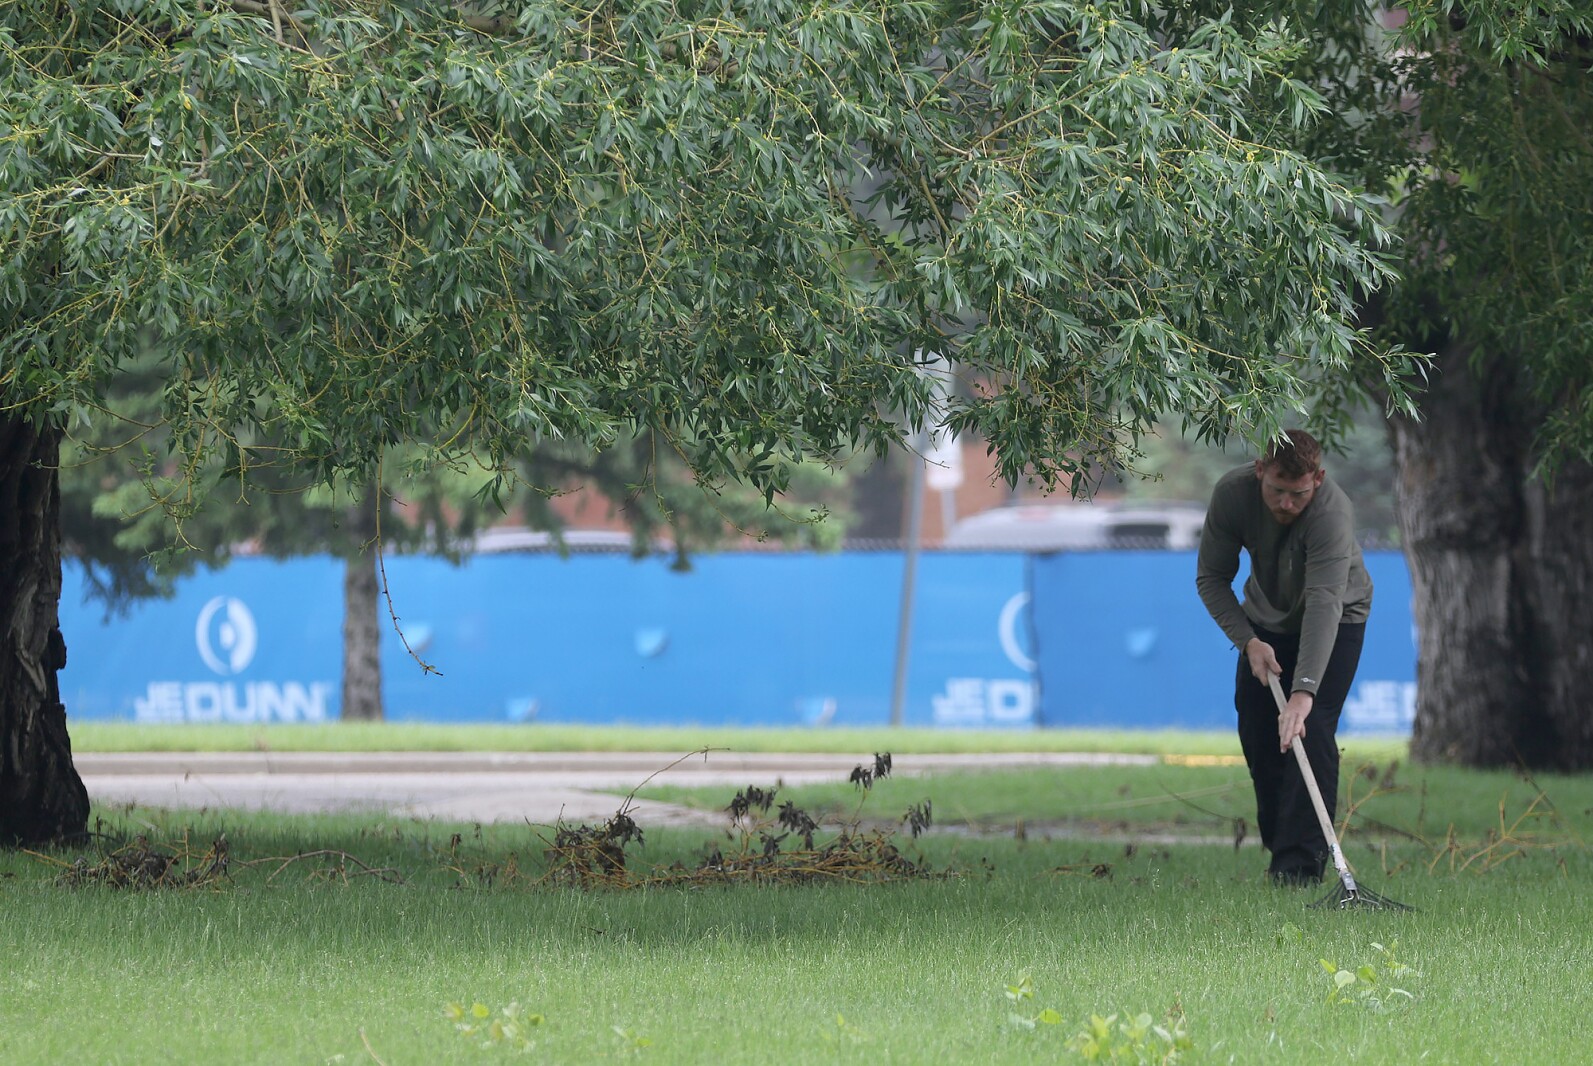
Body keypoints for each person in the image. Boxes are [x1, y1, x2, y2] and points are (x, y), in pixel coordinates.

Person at [1195, 429, 1372, 885]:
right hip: (1264, 626)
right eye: (1276, 490)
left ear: (1318, 478)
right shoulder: (1233, 495)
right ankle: (1283, 849)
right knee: (1259, 731)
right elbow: (1212, 578)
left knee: (1309, 731)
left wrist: (1304, 691)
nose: (1287, 504)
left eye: (1298, 493)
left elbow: (1325, 602)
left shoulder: (1332, 513)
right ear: (1259, 472)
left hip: (1338, 619)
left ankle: (1298, 868)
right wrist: (1248, 642)